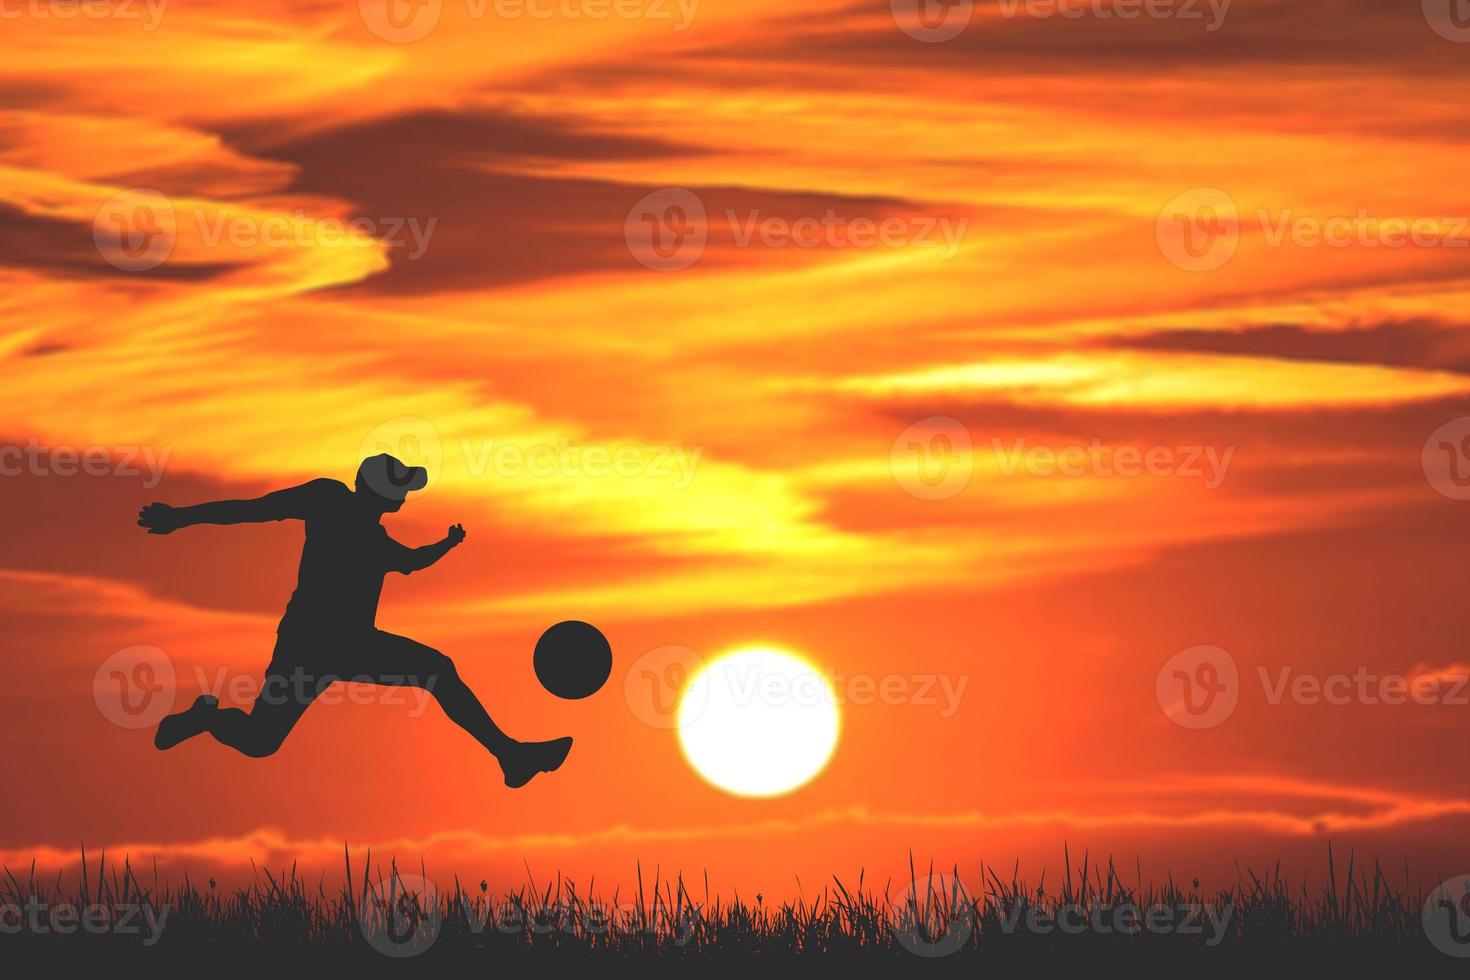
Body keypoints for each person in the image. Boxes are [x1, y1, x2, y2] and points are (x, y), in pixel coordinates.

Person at [136, 453, 572, 788]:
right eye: (398, 488)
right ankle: (206, 717)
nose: (402, 495)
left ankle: (509, 756)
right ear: (382, 492)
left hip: (352, 647)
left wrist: (445, 544)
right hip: (307, 648)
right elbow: (257, 509)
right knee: (259, 742)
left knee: (437, 671)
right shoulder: (327, 500)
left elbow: (411, 562)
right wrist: (182, 517)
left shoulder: (376, 540)